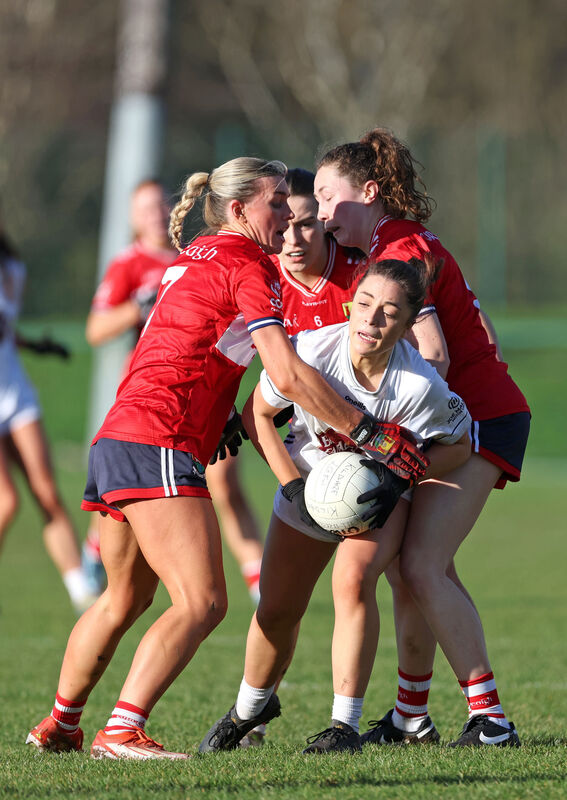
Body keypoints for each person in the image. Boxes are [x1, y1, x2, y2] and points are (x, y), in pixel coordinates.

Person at [26, 156, 381, 760]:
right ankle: (121, 731)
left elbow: (194, 341)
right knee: (203, 601)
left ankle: (60, 725)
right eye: (275, 202)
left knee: (124, 598)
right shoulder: (246, 265)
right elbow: (288, 373)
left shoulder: (194, 256)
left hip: (119, 436)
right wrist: (367, 431)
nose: (288, 213)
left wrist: (220, 414)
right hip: (158, 439)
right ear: (240, 210)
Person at [198, 257, 472, 754]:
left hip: (378, 499)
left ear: (410, 324)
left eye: (390, 312)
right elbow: (258, 413)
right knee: (277, 609)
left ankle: (343, 726)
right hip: (308, 483)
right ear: (350, 302)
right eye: (364, 303)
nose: (371, 319)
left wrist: (400, 476)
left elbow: (460, 445)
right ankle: (248, 709)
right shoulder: (311, 352)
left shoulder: (419, 385)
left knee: (352, 579)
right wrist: (291, 487)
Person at [313, 128, 530, 747]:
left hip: (477, 419)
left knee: (422, 565)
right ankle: (412, 716)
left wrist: (382, 429)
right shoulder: (401, 243)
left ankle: (492, 721)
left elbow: (431, 354)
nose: (322, 214)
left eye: (329, 198)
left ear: (370, 191)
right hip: (467, 413)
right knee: (412, 572)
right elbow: (478, 328)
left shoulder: (400, 250)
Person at [84, 178, 265, 604]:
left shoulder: (199, 257)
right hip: (155, 399)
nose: (155, 214)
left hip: (204, 396)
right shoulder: (129, 264)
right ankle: (95, 552)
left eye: (159, 206)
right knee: (195, 602)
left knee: (226, 483)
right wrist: (138, 306)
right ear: (132, 217)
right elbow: (96, 329)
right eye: (144, 208)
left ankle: (257, 576)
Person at [0, 219, 95, 614]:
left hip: (15, 392)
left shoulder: (12, 268)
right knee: (6, 502)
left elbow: (7, 330)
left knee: (48, 493)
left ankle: (81, 591)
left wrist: (37, 345)